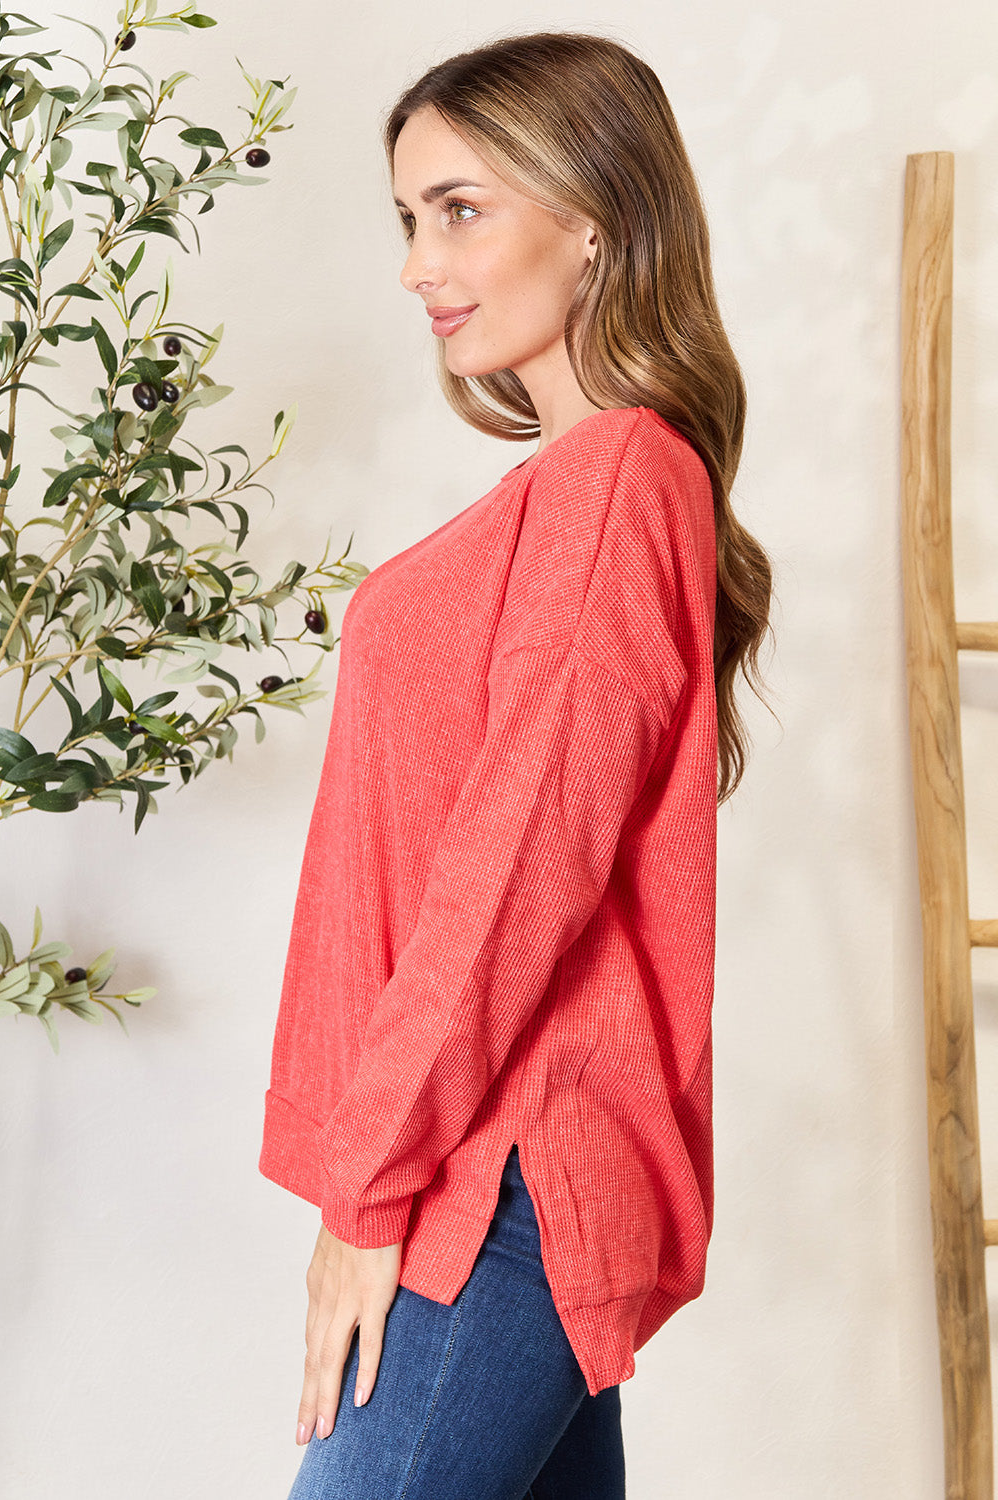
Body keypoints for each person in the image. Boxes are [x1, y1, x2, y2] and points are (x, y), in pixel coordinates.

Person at [259, 29, 772, 1500]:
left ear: (598, 216)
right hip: (487, 1163)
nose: (423, 264)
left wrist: (368, 1194)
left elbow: (517, 865)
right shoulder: (571, 490)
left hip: (500, 1173)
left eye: (463, 209)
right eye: (410, 220)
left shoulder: (622, 476)